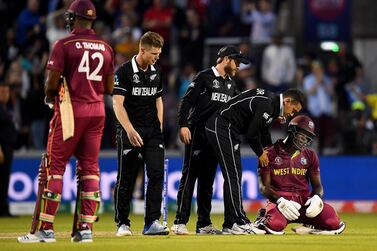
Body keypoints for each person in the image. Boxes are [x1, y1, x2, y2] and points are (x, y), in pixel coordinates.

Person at [18, 0, 115, 243]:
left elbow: (51, 84)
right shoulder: (106, 47)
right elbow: (109, 87)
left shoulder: (63, 44)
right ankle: (85, 230)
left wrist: (52, 98)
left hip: (71, 111)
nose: (68, 20)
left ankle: (45, 230)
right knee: (90, 169)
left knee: (55, 168)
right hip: (97, 111)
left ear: (74, 17)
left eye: (70, 16)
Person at [171, 45, 249, 235]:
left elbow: (241, 107)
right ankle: (180, 222)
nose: (238, 66)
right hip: (197, 133)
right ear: (226, 59)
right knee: (190, 177)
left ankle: (203, 224)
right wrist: (183, 125)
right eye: (236, 61)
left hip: (216, 139)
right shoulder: (204, 77)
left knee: (207, 182)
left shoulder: (231, 84)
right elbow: (187, 101)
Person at [205, 88, 305, 234]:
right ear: (287, 101)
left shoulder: (272, 105)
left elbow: (263, 131)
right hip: (221, 127)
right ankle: (237, 222)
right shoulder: (268, 104)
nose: (292, 114)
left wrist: (270, 152)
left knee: (234, 175)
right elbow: (252, 134)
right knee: (233, 175)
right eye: (293, 110)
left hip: (228, 130)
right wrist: (260, 153)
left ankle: (229, 224)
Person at [112, 31, 169, 236]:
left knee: (156, 174)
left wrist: (159, 126)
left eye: (159, 54)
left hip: (152, 132)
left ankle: (151, 222)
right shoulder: (124, 72)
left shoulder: (156, 72)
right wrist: (129, 129)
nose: (157, 57)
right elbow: (117, 104)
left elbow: (158, 99)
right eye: (154, 53)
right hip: (130, 130)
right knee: (126, 177)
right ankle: (123, 223)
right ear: (142, 50)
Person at [254, 115, 346, 235]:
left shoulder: (310, 155)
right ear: (292, 130)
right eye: (302, 135)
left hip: (304, 202)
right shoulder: (268, 153)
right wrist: (280, 200)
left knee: (333, 223)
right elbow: (264, 187)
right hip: (280, 202)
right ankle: (262, 217)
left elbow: (318, 186)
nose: (304, 140)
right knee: (274, 226)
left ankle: (309, 223)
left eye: (308, 138)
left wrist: (317, 197)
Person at [0, 82, 18, 217]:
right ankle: (2, 209)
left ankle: (4, 208)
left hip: (8, 148)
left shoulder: (5, 107)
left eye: (6, 92)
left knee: (5, 179)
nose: (5, 94)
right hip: (2, 149)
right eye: (2, 92)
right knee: (1, 179)